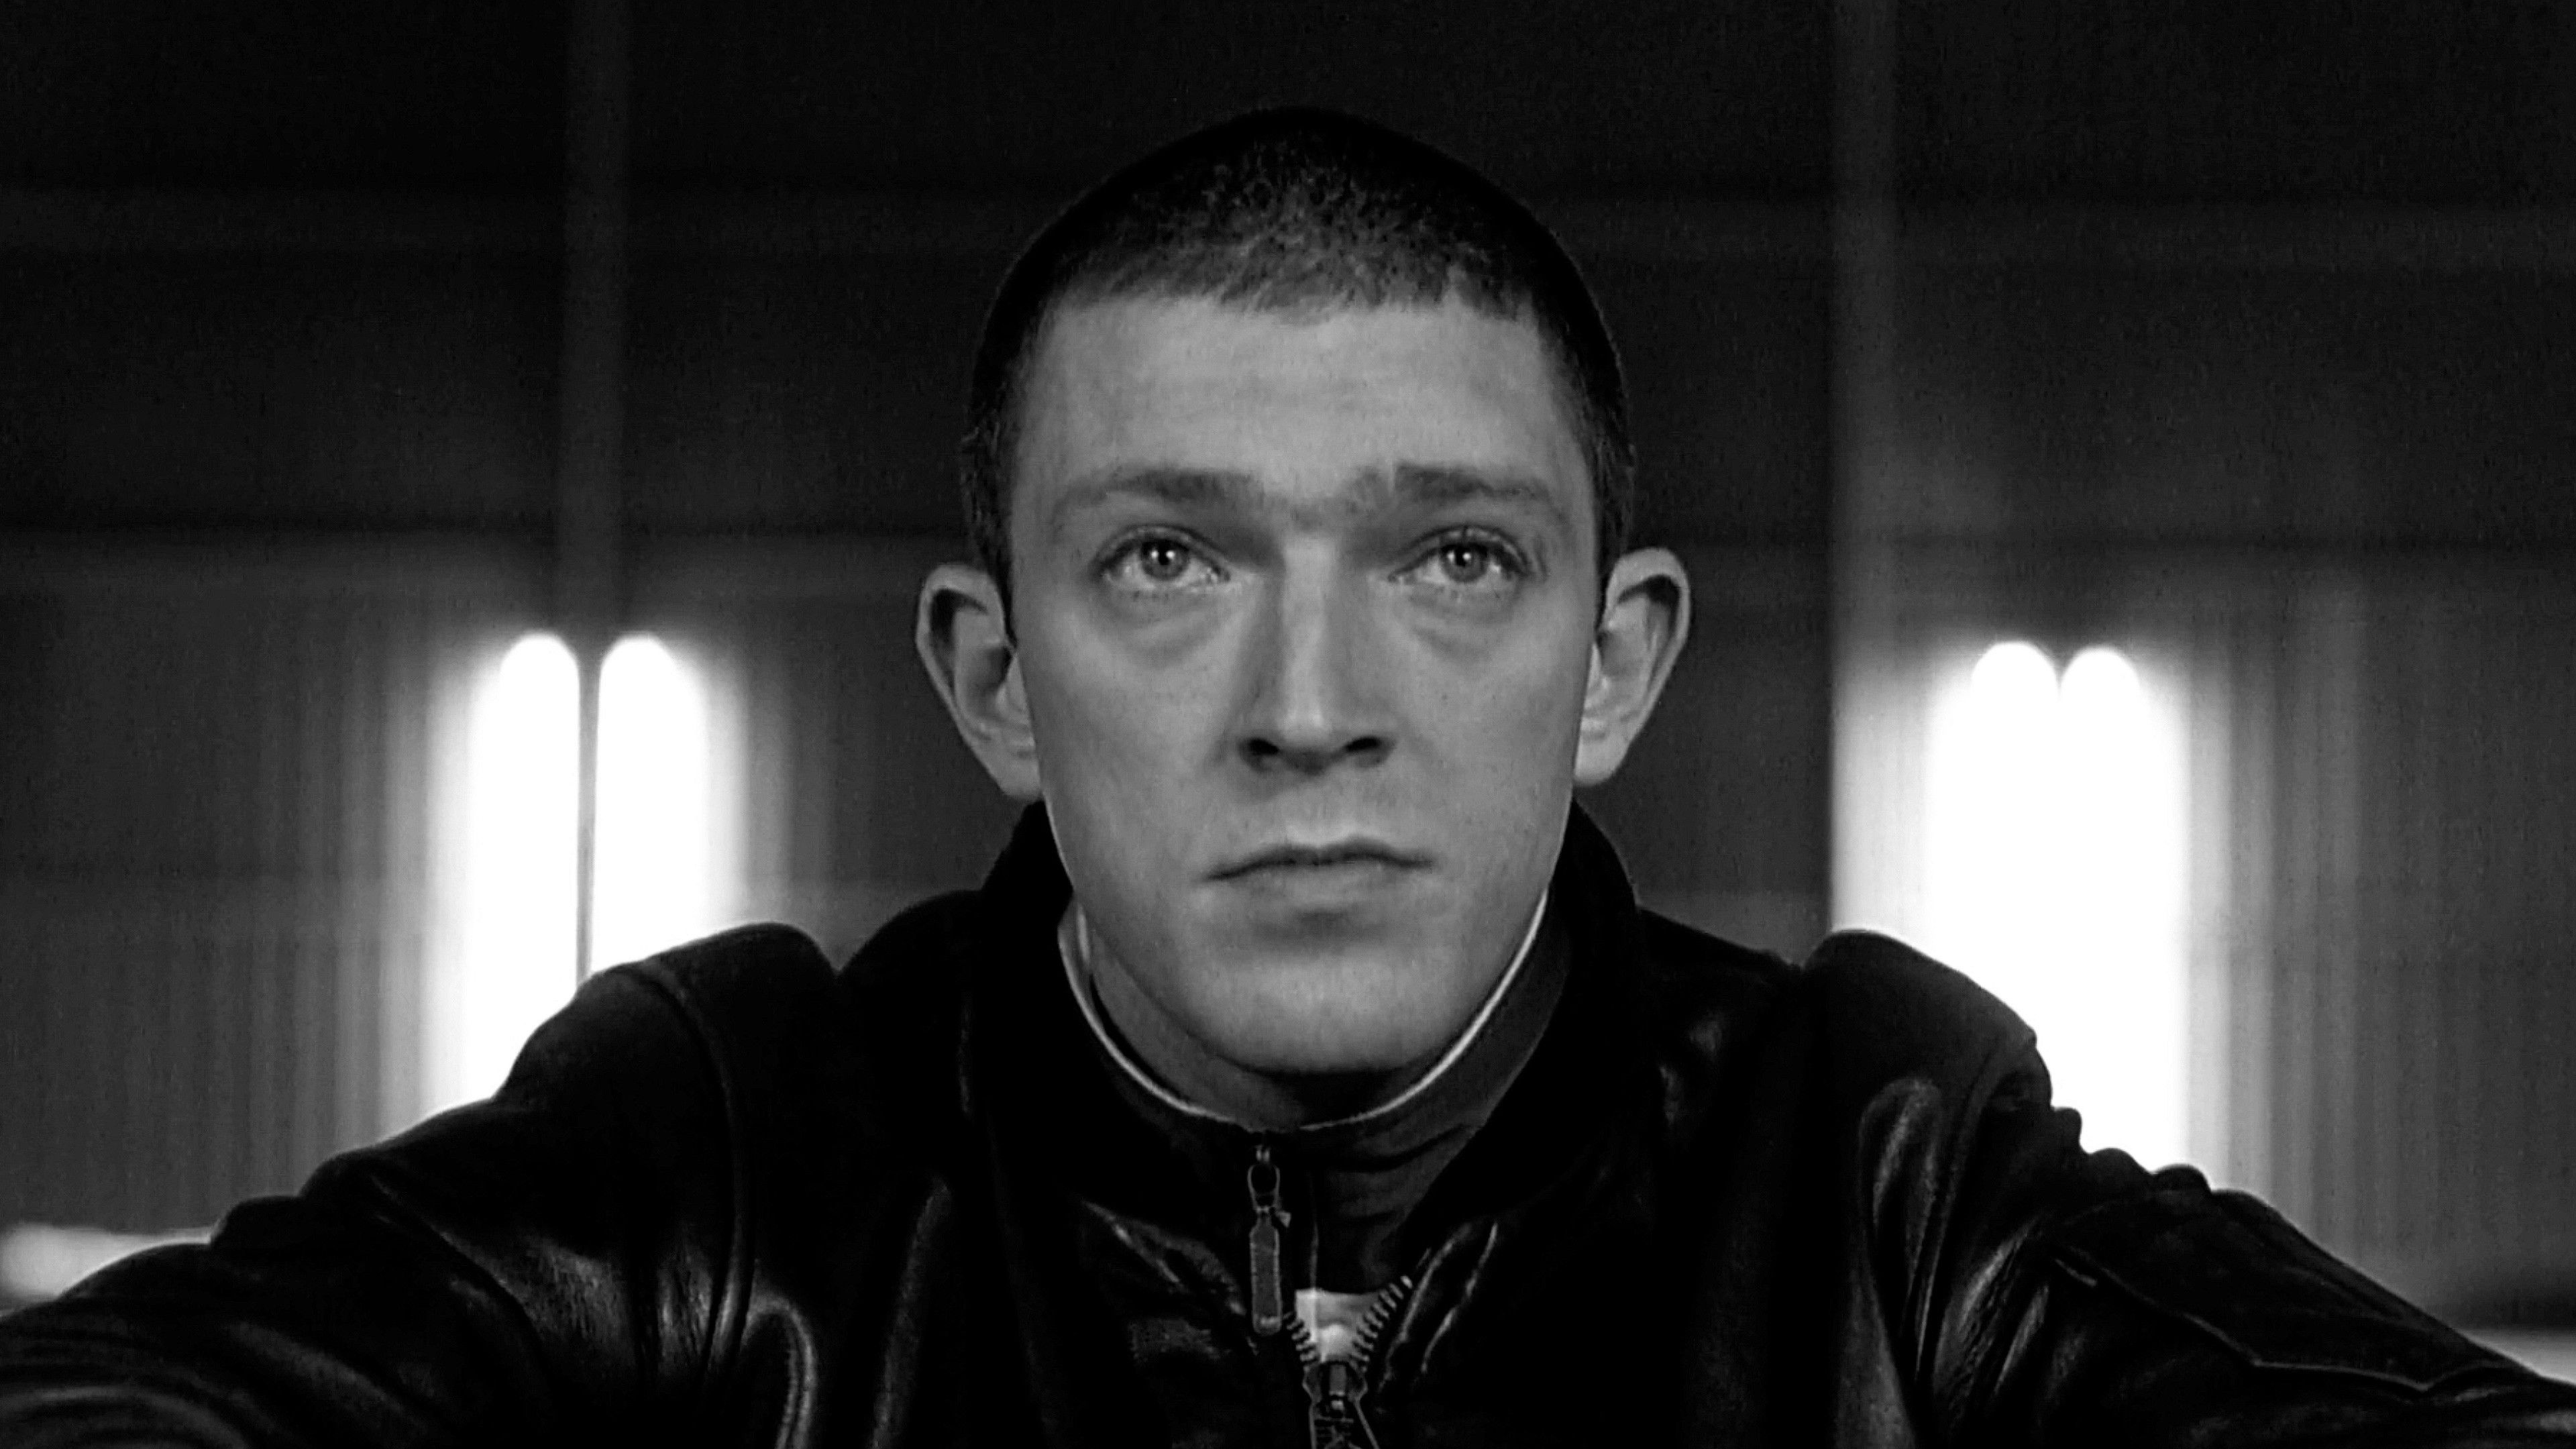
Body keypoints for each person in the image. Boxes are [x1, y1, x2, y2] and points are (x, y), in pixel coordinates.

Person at [1, 107, 2570, 1449]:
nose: (1309, 702)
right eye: (1167, 562)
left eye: (1453, 559)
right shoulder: (725, 1164)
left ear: (1612, 664)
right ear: (995, 676)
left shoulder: (1883, 1180)